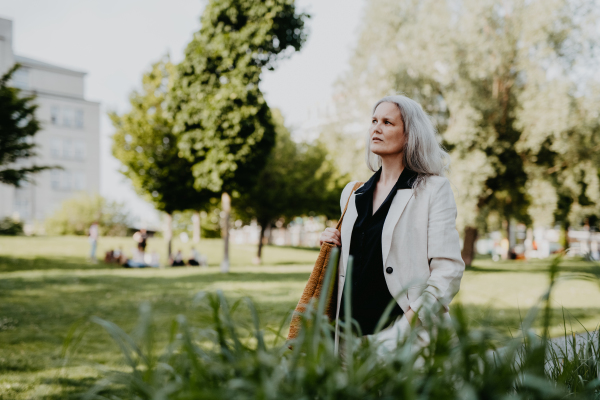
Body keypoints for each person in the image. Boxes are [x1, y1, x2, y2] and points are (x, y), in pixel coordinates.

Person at [319, 95, 464, 353]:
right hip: (346, 340)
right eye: (374, 121)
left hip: (405, 339)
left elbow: (448, 272)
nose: (376, 128)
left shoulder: (433, 190)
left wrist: (405, 327)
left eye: (387, 122)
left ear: (409, 135)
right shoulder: (353, 194)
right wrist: (332, 244)